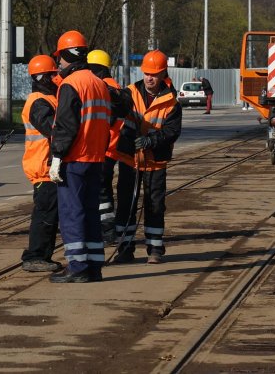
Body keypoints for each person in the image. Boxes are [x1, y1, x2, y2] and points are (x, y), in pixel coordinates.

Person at [48, 30, 113, 283]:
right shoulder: (99, 83)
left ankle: (77, 266)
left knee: (72, 213)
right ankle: (94, 266)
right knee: (90, 212)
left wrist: (56, 157)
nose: (59, 64)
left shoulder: (70, 85)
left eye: (60, 59)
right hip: (97, 159)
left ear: (66, 55)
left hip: (75, 160)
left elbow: (66, 126)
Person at [112, 49, 182, 265]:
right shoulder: (129, 93)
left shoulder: (172, 103)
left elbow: (172, 132)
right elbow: (117, 111)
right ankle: (125, 248)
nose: (149, 78)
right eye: (146, 73)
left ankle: (155, 248)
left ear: (163, 74)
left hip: (155, 162)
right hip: (129, 160)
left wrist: (150, 141)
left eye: (154, 74)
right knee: (126, 204)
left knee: (155, 205)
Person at [19, 55, 64, 273]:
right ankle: (35, 256)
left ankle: (42, 255)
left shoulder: (50, 98)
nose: (56, 77)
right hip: (44, 168)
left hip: (50, 167)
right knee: (45, 214)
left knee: (50, 214)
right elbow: (52, 130)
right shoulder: (39, 101)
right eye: (52, 74)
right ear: (42, 77)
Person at [87, 48, 127, 245]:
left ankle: (107, 229)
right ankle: (108, 227)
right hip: (114, 147)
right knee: (104, 189)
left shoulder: (103, 88)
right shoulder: (115, 86)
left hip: (104, 147)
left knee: (101, 190)